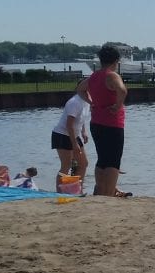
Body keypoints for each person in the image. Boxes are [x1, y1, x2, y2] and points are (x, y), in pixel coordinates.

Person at [87, 44, 130, 197]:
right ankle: (109, 192)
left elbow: (80, 90)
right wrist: (117, 106)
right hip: (112, 123)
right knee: (113, 160)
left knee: (102, 159)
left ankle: (100, 190)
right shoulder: (112, 75)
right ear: (116, 61)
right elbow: (122, 90)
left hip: (96, 122)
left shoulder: (93, 76)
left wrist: (91, 102)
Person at [51, 79, 91, 190]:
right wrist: (74, 143)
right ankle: (59, 192)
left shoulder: (87, 101)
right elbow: (69, 124)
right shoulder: (74, 102)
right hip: (62, 134)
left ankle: (77, 189)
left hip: (75, 134)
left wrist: (83, 131)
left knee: (83, 164)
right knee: (66, 165)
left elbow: (81, 118)